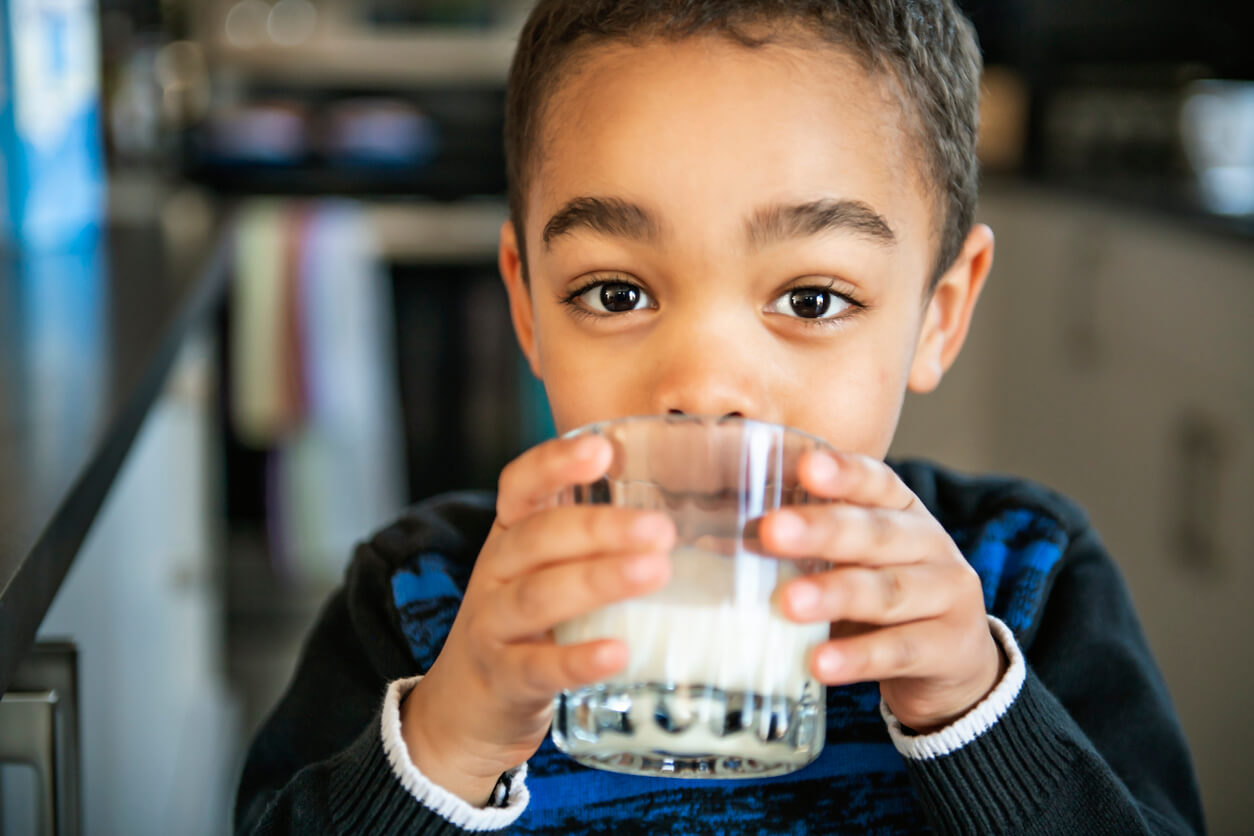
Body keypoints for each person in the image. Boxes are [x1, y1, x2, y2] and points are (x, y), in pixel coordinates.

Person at [234, 1, 1205, 833]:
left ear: (938, 314)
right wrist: (446, 745)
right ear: (527, 306)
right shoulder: (424, 605)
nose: (702, 386)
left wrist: (978, 713)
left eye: (814, 298)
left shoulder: (1028, 586)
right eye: (615, 292)